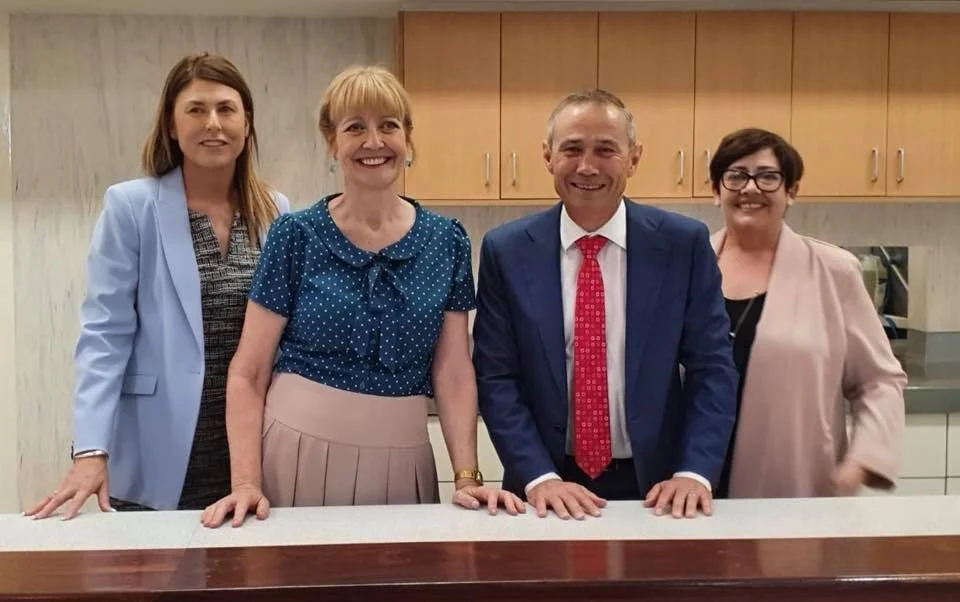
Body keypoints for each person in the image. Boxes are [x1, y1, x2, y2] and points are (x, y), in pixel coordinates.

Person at [200, 65, 523, 528]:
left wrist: (467, 476)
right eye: (355, 127)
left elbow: (453, 372)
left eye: (388, 125)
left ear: (408, 138)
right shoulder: (296, 235)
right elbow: (249, 372)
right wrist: (246, 484)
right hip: (294, 453)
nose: (374, 142)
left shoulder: (446, 240)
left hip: (404, 459)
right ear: (332, 142)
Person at [24, 52, 290, 519]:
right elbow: (104, 335)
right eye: (196, 109)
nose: (213, 123)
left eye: (226, 109)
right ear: (171, 124)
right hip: (156, 450)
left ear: (247, 123)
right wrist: (90, 450)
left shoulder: (276, 210)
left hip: (251, 454)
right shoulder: (131, 207)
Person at [472, 89, 738, 521]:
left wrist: (694, 472)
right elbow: (497, 377)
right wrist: (539, 477)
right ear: (548, 156)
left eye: (605, 150)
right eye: (572, 149)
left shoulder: (682, 245)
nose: (587, 166)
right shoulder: (507, 251)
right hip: (545, 489)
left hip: (661, 490)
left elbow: (713, 368)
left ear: (634, 158)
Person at [707, 127, 906, 498]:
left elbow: (879, 380)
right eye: (735, 176)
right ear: (716, 190)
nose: (750, 188)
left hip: (795, 483)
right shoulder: (689, 267)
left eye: (768, 177)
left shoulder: (834, 272)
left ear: (791, 191)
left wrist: (862, 461)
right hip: (689, 483)